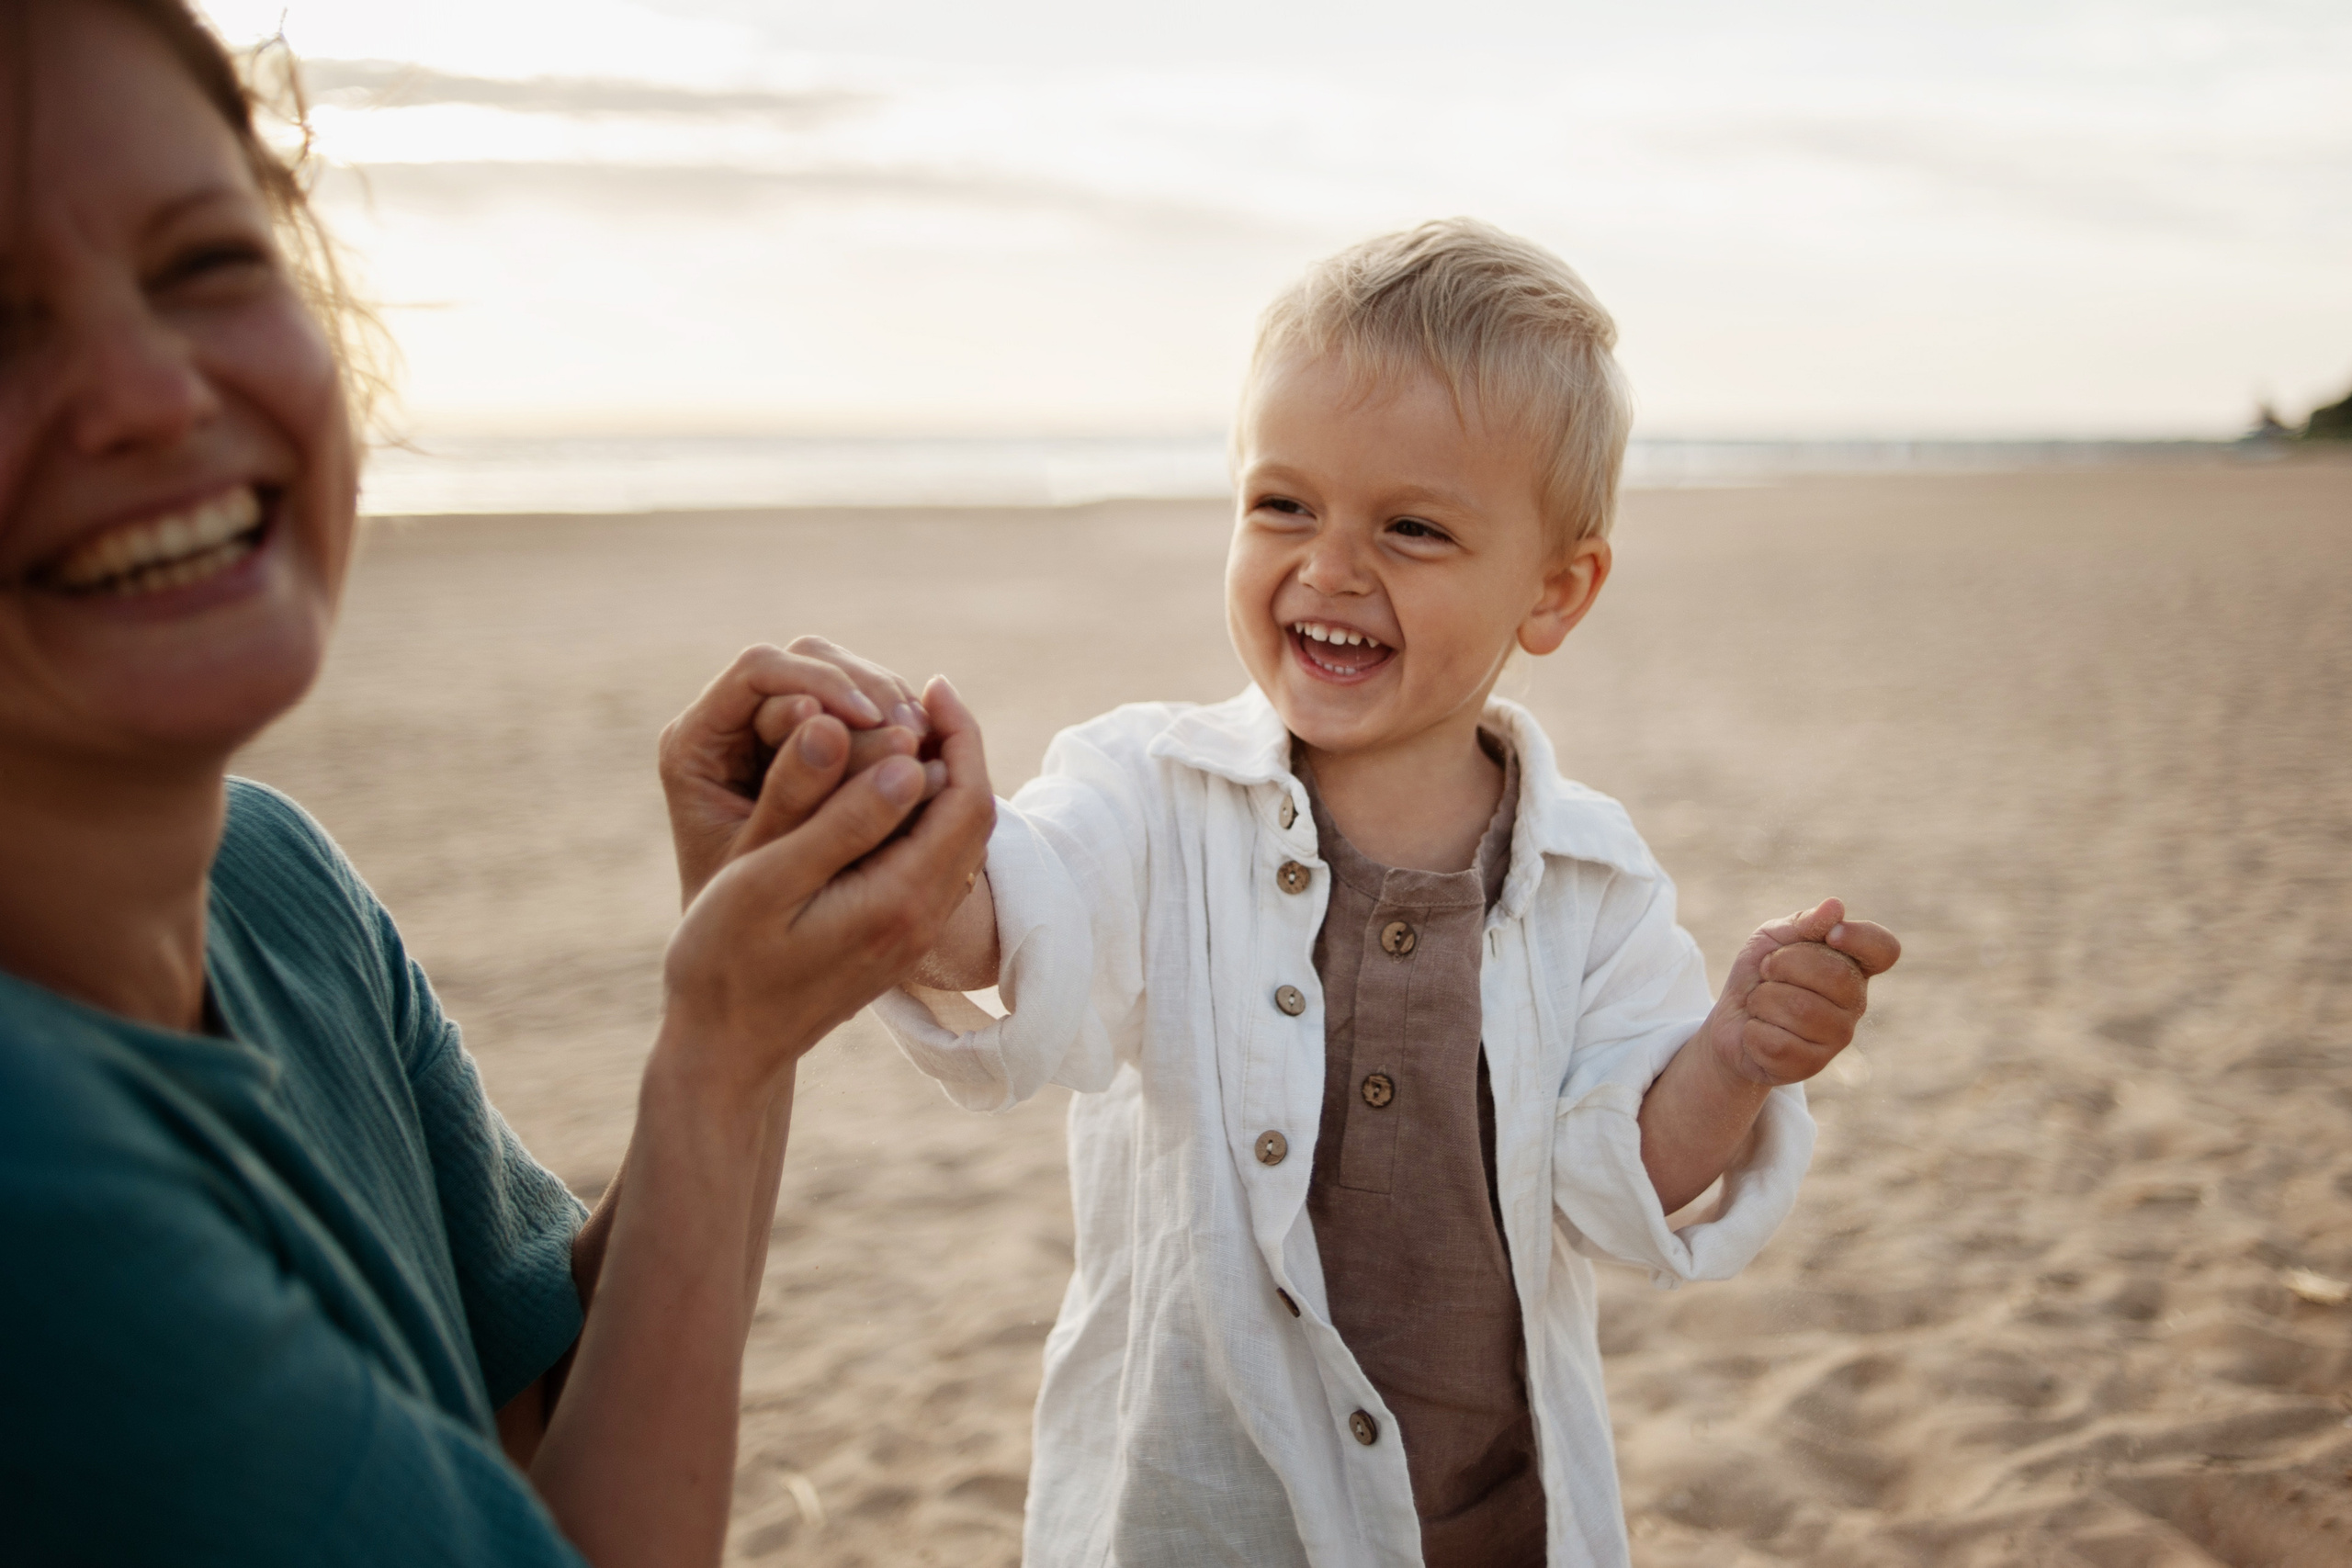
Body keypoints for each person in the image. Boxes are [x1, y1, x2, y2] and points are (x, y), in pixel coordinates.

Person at [0, 2, 993, 1563]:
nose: (151, 393)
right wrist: (722, 1046)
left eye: (203, 264)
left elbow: (537, 1431)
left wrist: (738, 1002)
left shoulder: (273, 881)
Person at [804, 220, 1904, 1566]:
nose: (1329, 567)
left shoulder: (1591, 881)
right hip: (1204, 1508)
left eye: (1414, 527)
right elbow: (1024, 935)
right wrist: (918, 840)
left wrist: (1733, 1056)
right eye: (1283, 505)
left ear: (1554, 591)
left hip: (1486, 1516)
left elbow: (1618, 1180)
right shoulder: (1148, 794)